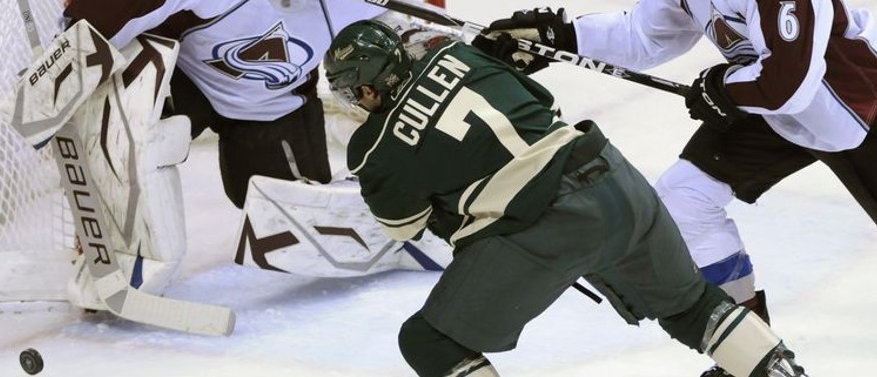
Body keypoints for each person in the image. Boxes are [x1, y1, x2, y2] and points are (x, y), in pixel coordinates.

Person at [473, 0, 877, 375]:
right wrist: (562, 36)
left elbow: (791, 82)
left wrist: (725, 91)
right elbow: (645, 37)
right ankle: (753, 358)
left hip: (853, 103)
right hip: (767, 103)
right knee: (685, 203)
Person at [5, 0, 447, 312]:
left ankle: (406, 230)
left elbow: (407, 33)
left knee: (290, 213)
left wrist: (451, 53)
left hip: (273, 104)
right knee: (135, 136)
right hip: (185, 79)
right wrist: (65, 62)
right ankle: (119, 251)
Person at [323, 19, 808, 377]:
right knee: (691, 306)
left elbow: (403, 226)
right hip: (614, 179)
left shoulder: (373, 147)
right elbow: (547, 107)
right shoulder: (459, 56)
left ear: (366, 89)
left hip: (541, 228)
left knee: (428, 341)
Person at [63, 0, 411, 206]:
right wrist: (68, 45)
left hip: (272, 104)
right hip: (185, 79)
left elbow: (400, 31)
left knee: (285, 207)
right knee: (128, 148)